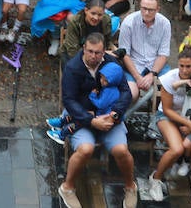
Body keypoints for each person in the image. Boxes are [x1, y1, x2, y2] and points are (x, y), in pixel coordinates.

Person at [57, 32, 137, 208]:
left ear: (104, 52)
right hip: (82, 117)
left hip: (109, 114)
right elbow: (69, 100)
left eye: (98, 53)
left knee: (122, 151)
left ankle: (130, 186)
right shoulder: (73, 68)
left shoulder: (112, 63)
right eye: (90, 51)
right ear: (84, 49)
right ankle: (67, 187)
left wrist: (115, 113)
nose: (94, 56)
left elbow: (125, 91)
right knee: (85, 149)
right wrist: (91, 120)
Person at [143, 45, 191, 203]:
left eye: (188, 66)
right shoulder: (170, 78)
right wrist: (187, 124)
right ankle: (155, 178)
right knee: (177, 149)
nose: (184, 70)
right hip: (169, 117)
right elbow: (168, 110)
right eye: (181, 66)